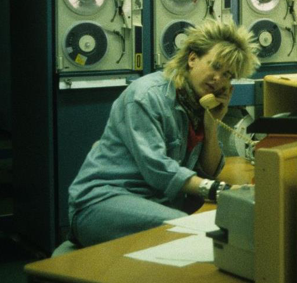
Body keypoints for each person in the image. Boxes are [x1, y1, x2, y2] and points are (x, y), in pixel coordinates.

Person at [67, 20, 260, 247]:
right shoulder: (146, 95)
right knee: (189, 231)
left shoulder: (197, 106)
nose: (219, 79)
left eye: (228, 75)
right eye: (215, 66)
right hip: (102, 202)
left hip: (154, 202)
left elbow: (209, 171)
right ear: (192, 59)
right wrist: (219, 190)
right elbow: (157, 169)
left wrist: (211, 125)